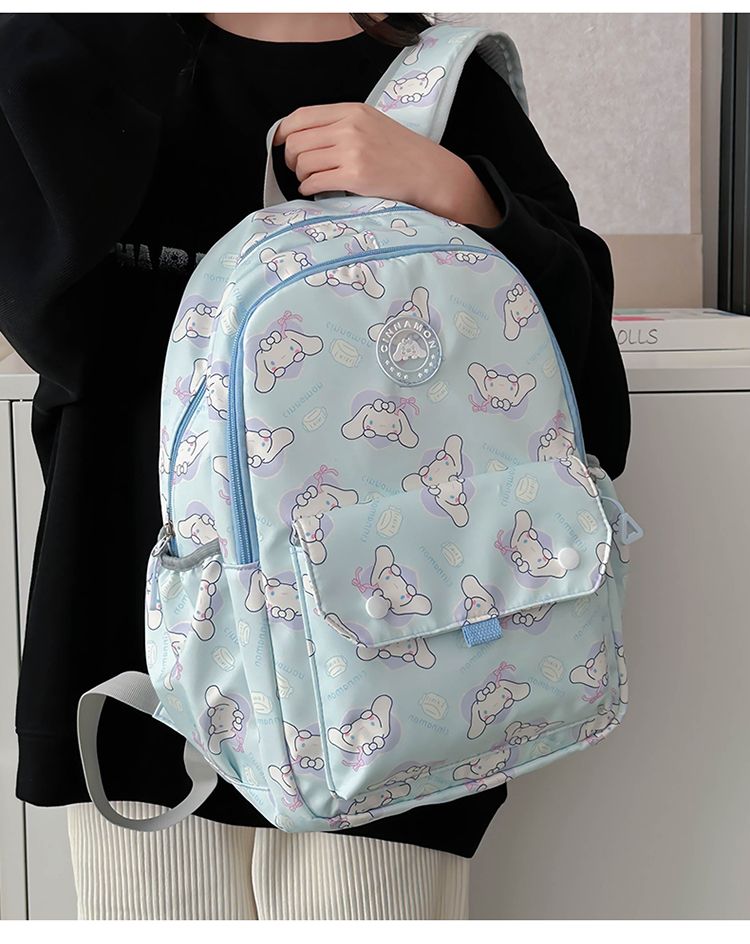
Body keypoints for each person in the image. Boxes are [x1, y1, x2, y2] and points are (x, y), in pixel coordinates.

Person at [0, 11, 630, 920]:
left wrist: (462, 193)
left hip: (403, 652)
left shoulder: (439, 80)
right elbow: (52, 318)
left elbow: (581, 388)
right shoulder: (87, 55)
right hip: (140, 616)